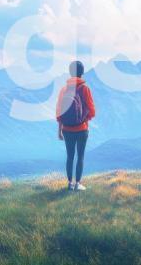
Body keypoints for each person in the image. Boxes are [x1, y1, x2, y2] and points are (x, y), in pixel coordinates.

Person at [55, 60, 96, 191]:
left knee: (70, 156)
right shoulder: (85, 89)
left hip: (67, 129)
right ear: (82, 72)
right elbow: (92, 110)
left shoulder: (64, 90)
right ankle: (78, 184)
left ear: (70, 72)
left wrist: (59, 130)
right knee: (80, 156)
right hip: (82, 129)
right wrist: (84, 120)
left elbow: (59, 111)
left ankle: (69, 184)